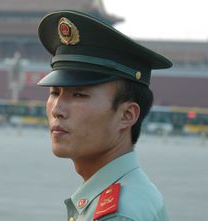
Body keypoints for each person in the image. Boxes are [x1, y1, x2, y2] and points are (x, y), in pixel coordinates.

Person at [37, 10, 172, 221]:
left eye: (79, 94)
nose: (56, 109)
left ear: (127, 115)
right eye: (54, 93)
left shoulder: (118, 215)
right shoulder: (132, 190)